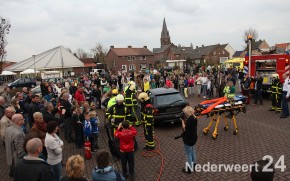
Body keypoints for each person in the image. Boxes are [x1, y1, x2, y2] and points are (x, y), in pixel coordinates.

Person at [181, 106, 197, 174]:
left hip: (188, 139)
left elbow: (185, 129)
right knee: (192, 151)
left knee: (188, 154)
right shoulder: (194, 118)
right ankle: (194, 164)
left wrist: (182, 121)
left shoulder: (189, 121)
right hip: (193, 138)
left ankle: (189, 169)